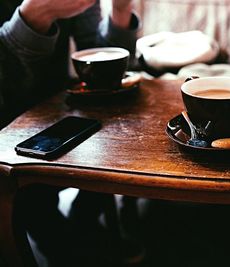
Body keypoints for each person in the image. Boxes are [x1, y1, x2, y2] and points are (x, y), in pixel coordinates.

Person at [0, 0, 142, 266]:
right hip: (7, 120)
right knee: (30, 194)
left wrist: (120, 13)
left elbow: (94, 55)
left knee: (118, 141)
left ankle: (81, 223)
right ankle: (60, 241)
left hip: (56, 107)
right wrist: (33, 16)